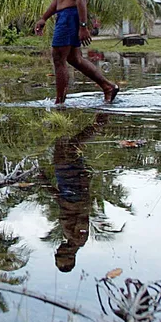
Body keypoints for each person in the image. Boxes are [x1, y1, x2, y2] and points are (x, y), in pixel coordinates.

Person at [33, 0, 120, 105]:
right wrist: (44, 17)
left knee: (58, 58)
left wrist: (83, 26)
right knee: (74, 59)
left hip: (70, 17)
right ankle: (108, 87)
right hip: (64, 15)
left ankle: (59, 102)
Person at [52, 112, 109, 272]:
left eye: (57, 255)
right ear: (71, 256)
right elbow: (82, 210)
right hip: (74, 186)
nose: (58, 251)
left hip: (65, 186)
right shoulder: (79, 238)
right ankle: (99, 124)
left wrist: (46, 184)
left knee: (60, 148)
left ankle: (63, 115)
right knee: (71, 147)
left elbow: (63, 207)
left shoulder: (69, 237)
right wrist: (84, 182)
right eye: (61, 255)